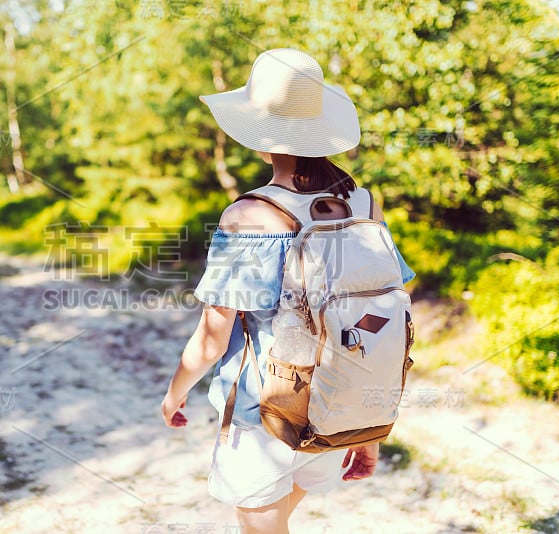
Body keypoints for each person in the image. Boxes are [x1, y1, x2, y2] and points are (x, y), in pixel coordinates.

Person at [161, 48, 416, 534]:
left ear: (260, 132)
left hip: (268, 416)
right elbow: (384, 313)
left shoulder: (247, 216)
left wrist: (174, 394)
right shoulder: (362, 204)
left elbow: (213, 338)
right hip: (338, 408)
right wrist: (369, 427)